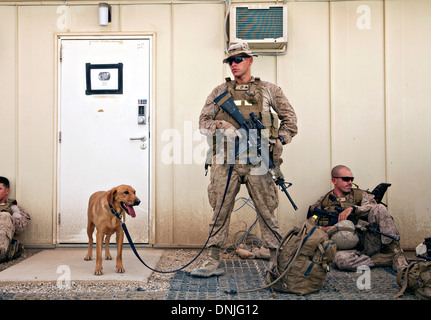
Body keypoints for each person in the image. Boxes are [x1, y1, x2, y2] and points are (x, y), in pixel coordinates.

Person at [191, 42, 298, 277]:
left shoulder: (269, 90)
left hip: (258, 161)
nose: (234, 64)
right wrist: (221, 124)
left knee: (266, 212)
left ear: (250, 60)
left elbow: (290, 120)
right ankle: (212, 261)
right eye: (230, 61)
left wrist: (279, 140)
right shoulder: (219, 92)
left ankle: (276, 260)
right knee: (220, 211)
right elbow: (203, 123)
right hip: (225, 161)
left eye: (238, 59)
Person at [308, 165, 408, 271]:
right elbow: (310, 227)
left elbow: (374, 207)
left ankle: (396, 253)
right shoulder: (322, 203)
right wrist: (326, 229)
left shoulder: (361, 195)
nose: (350, 182)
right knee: (341, 261)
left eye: (352, 179)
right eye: (346, 179)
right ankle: (380, 260)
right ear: (334, 180)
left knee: (379, 208)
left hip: (367, 241)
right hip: (344, 247)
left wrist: (353, 208)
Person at [0, 177, 30, 262]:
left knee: (4, 215)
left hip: (3, 245)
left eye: (0, 189)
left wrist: (7, 218)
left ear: (7, 191)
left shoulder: (13, 208)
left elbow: (21, 228)